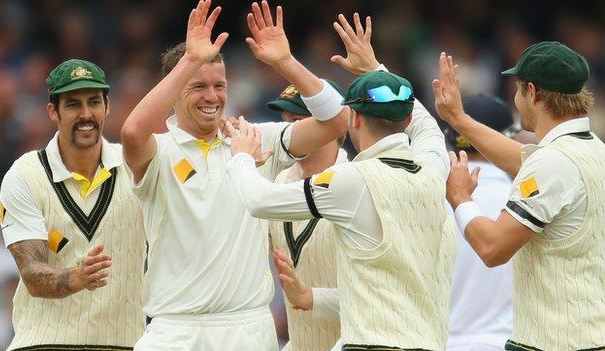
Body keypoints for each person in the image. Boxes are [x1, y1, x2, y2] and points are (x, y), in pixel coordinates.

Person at [120, 1, 348, 349]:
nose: (212, 97)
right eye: (198, 86)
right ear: (174, 87)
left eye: (220, 85)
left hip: (248, 329)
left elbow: (336, 121)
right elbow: (132, 132)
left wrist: (285, 62)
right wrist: (190, 60)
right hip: (176, 330)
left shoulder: (254, 139)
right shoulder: (160, 151)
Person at [227, 69, 455, 350]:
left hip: (370, 343)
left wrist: (241, 157)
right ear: (407, 119)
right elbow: (428, 130)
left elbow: (259, 201)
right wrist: (378, 69)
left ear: (353, 119)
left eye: (297, 122)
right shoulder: (433, 169)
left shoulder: (351, 179)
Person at [434, 42, 605, 350]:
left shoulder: (552, 163)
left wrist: (460, 197)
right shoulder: (592, 149)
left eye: (518, 90)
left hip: (553, 343)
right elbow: (524, 160)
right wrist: (458, 119)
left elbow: (492, 247)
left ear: (533, 92)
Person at [0, 59, 146, 350]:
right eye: (73, 105)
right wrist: (77, 277)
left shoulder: (136, 167)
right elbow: (32, 274)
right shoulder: (25, 175)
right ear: (53, 111)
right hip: (45, 344)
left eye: (94, 102)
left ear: (108, 106)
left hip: (125, 343)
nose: (86, 114)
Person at [266, 79, 347, 351]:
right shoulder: (279, 182)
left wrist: (311, 297)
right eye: (284, 121)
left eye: (298, 120)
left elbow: (378, 296)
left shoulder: (360, 182)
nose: (288, 131)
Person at [444, 94, 515, 351]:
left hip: (441, 343)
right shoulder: (528, 198)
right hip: (507, 342)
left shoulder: (427, 201)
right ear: (509, 139)